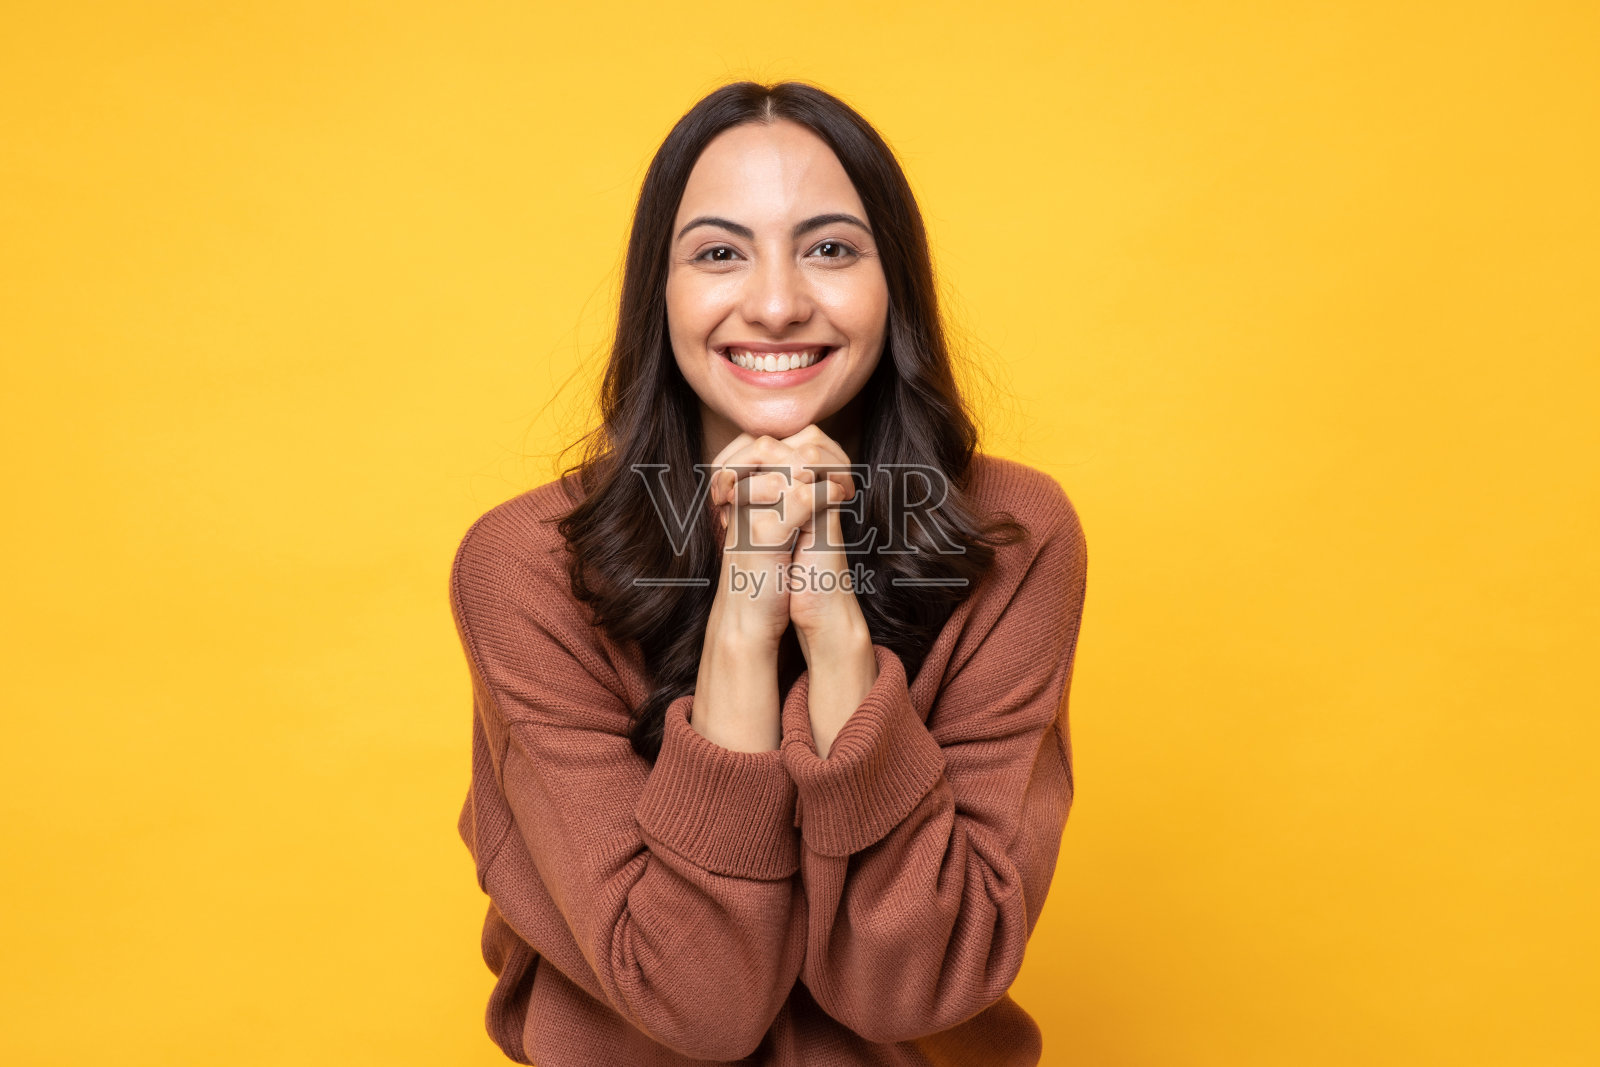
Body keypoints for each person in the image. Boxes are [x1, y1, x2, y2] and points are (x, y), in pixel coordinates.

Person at [449, 80, 1089, 1066]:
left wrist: (834, 633)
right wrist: (744, 618)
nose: (780, 303)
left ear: (896, 286)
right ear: (658, 296)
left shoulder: (1012, 535)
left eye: (831, 248)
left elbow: (910, 984)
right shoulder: (527, 566)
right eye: (717, 252)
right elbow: (698, 1003)